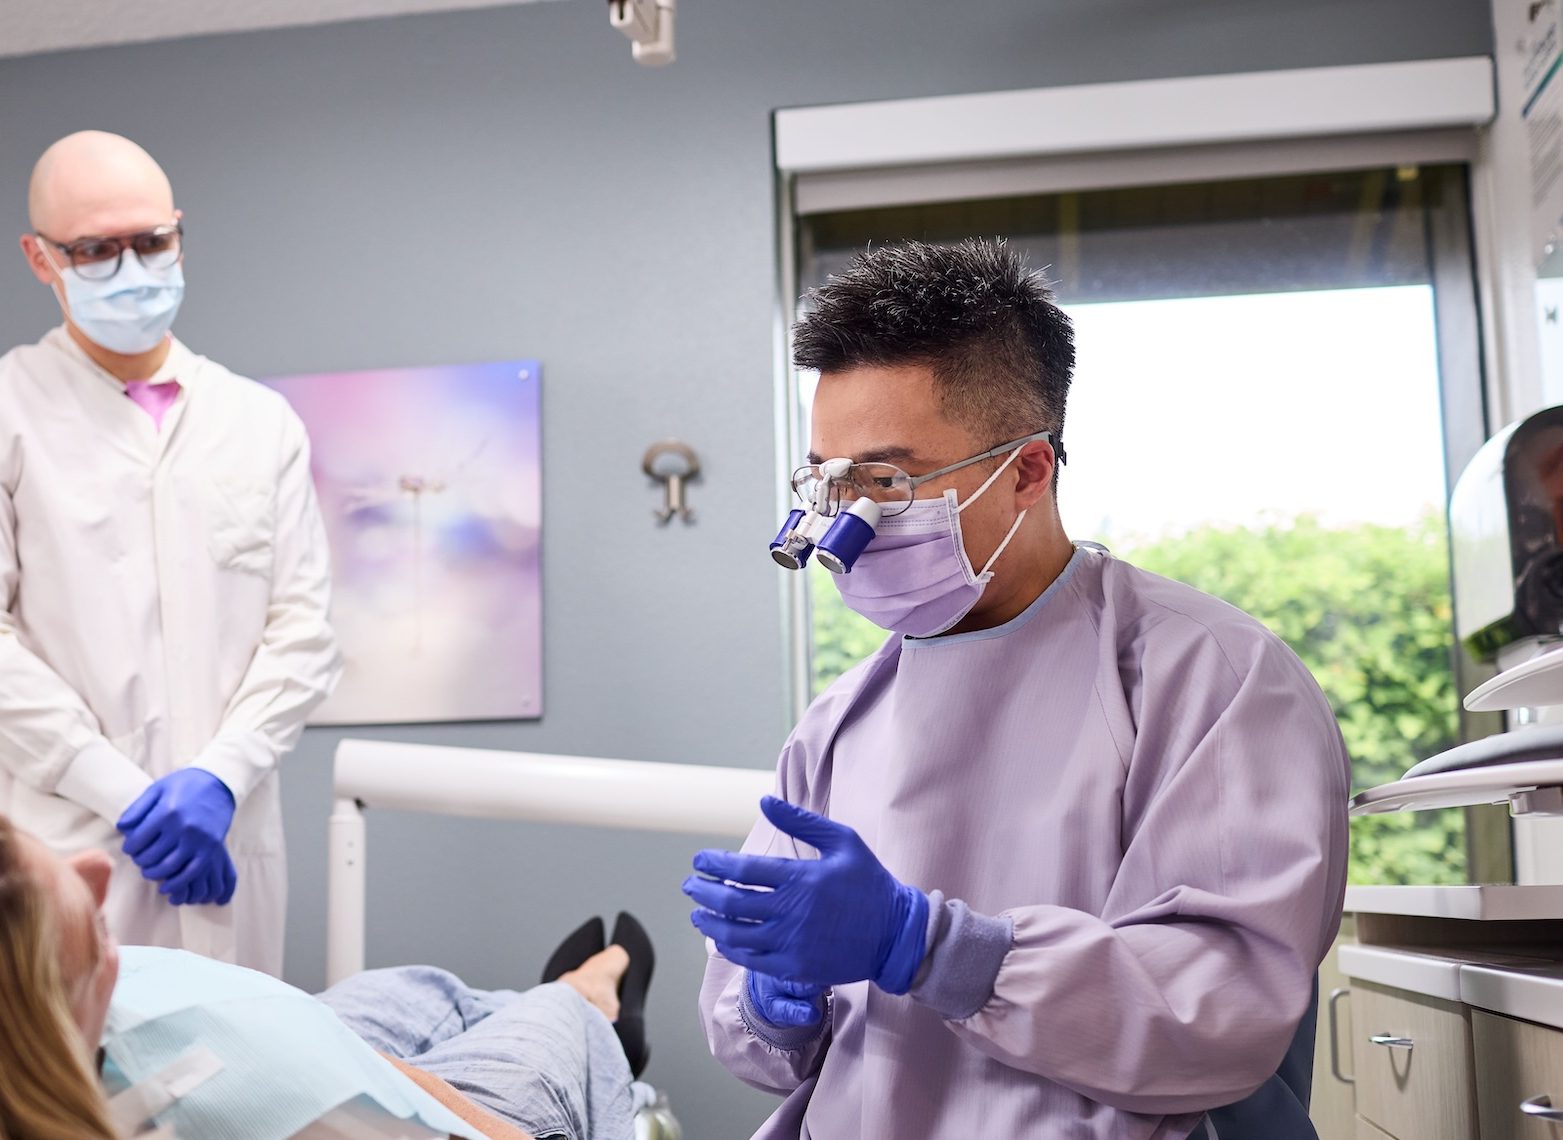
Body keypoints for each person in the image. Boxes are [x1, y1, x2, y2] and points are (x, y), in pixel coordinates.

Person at [687, 239, 1351, 1138]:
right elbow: (760, 1052)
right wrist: (778, 999)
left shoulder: (1209, 679)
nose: (846, 522)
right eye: (828, 480)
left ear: (1027, 472)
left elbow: (1220, 1015)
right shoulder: (839, 722)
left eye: (886, 480)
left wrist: (934, 950)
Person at [0, 130, 341, 973]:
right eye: (95, 250)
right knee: (75, 1085)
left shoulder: (258, 423)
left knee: (242, 1086)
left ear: (180, 232)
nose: (131, 268)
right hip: (66, 842)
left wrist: (219, 780)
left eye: (150, 242)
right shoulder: (11, 412)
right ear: (42, 261)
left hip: (228, 838)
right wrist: (131, 799)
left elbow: (302, 635)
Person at [0, 813, 653, 1140]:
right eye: (33, 890)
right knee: (551, 1019)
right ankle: (593, 1007)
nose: (96, 869)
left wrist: (337, 1047)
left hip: (302, 1041)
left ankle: (516, 1012)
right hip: (384, 1101)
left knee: (423, 989)